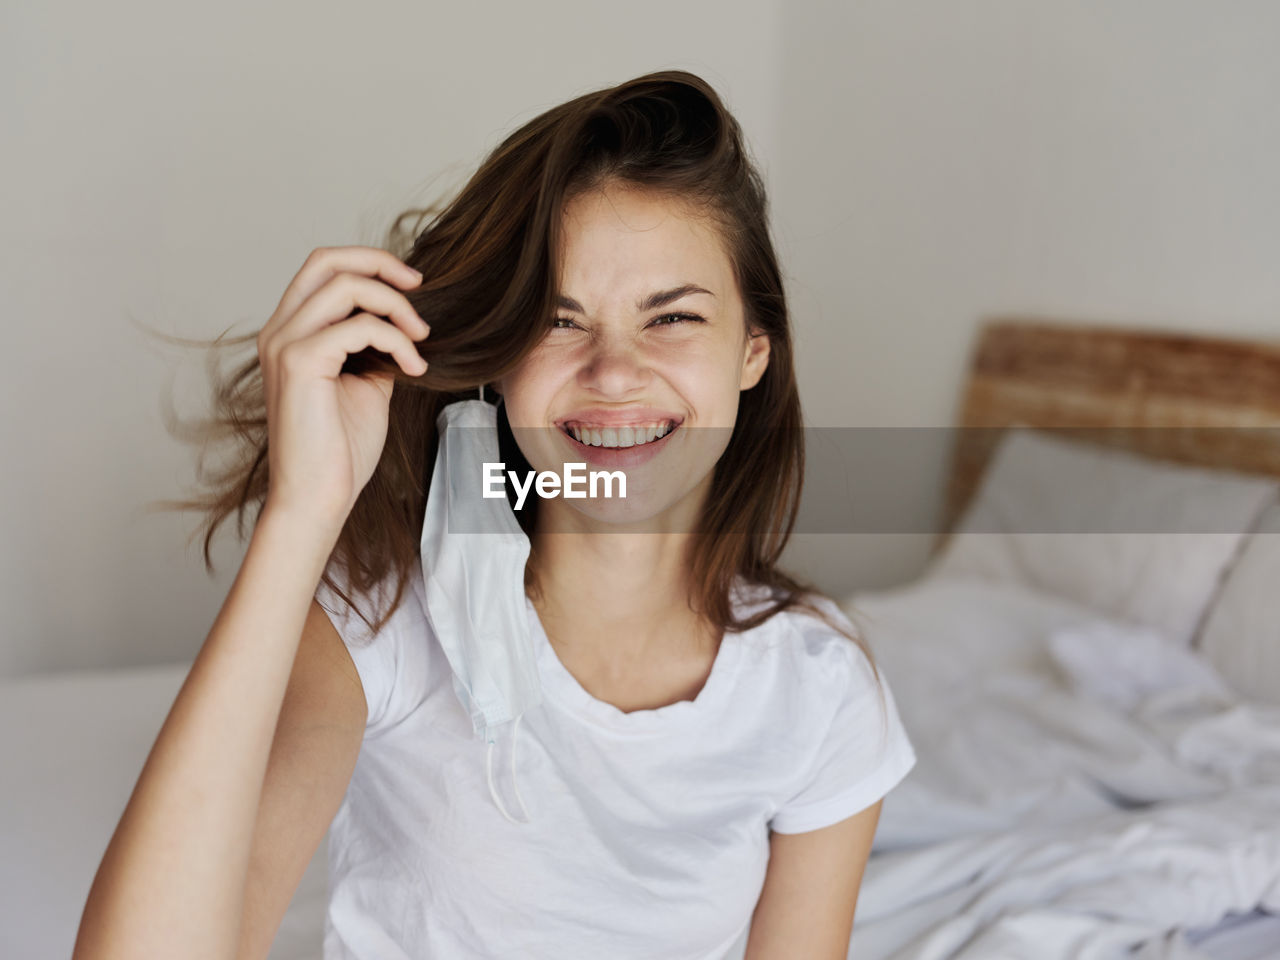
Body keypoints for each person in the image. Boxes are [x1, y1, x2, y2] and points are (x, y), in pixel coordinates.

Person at [72, 70, 916, 960]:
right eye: (559, 322)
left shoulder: (819, 690)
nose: (615, 372)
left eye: (670, 318)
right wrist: (303, 512)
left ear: (752, 353)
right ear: (499, 364)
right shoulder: (384, 624)